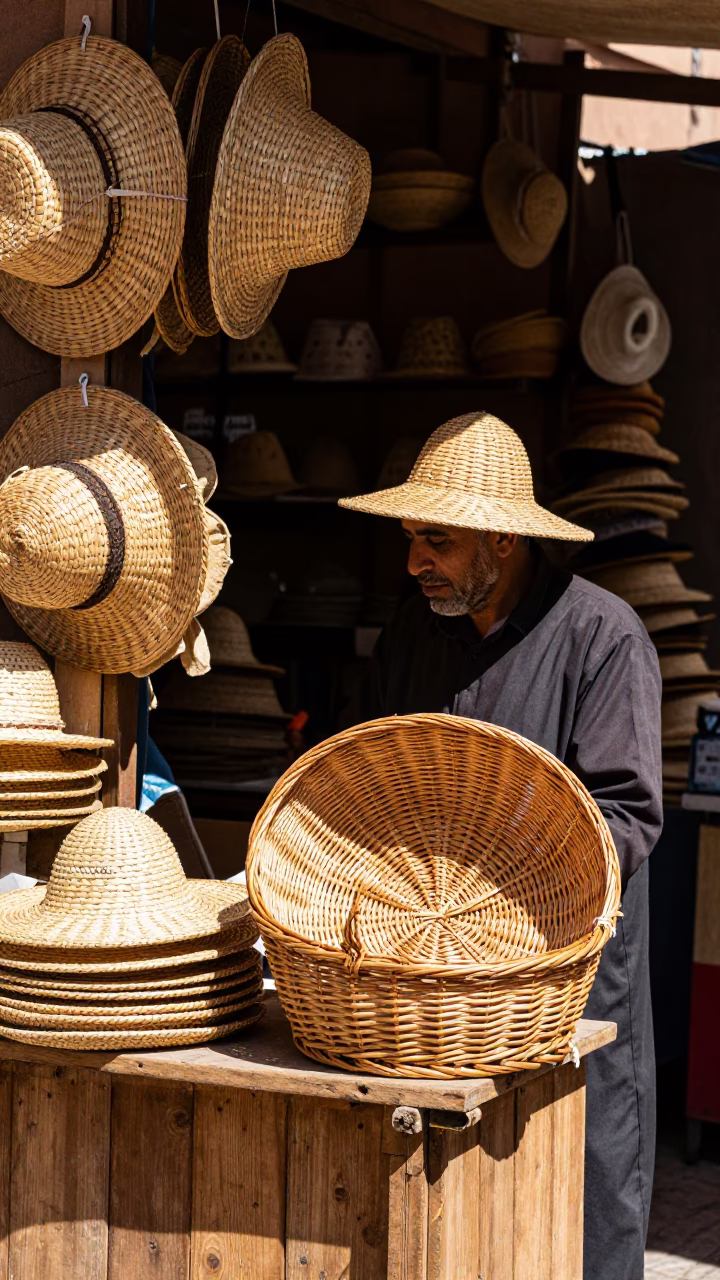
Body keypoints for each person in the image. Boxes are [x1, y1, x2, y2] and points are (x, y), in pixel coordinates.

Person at [339, 410, 662, 1280]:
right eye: (411, 539)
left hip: (574, 994)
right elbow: (367, 766)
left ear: (504, 541)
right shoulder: (416, 632)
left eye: (434, 541)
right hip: (440, 992)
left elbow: (625, 816)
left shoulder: (603, 637)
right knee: (465, 1223)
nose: (414, 563)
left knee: (586, 1205)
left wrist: (508, 892)